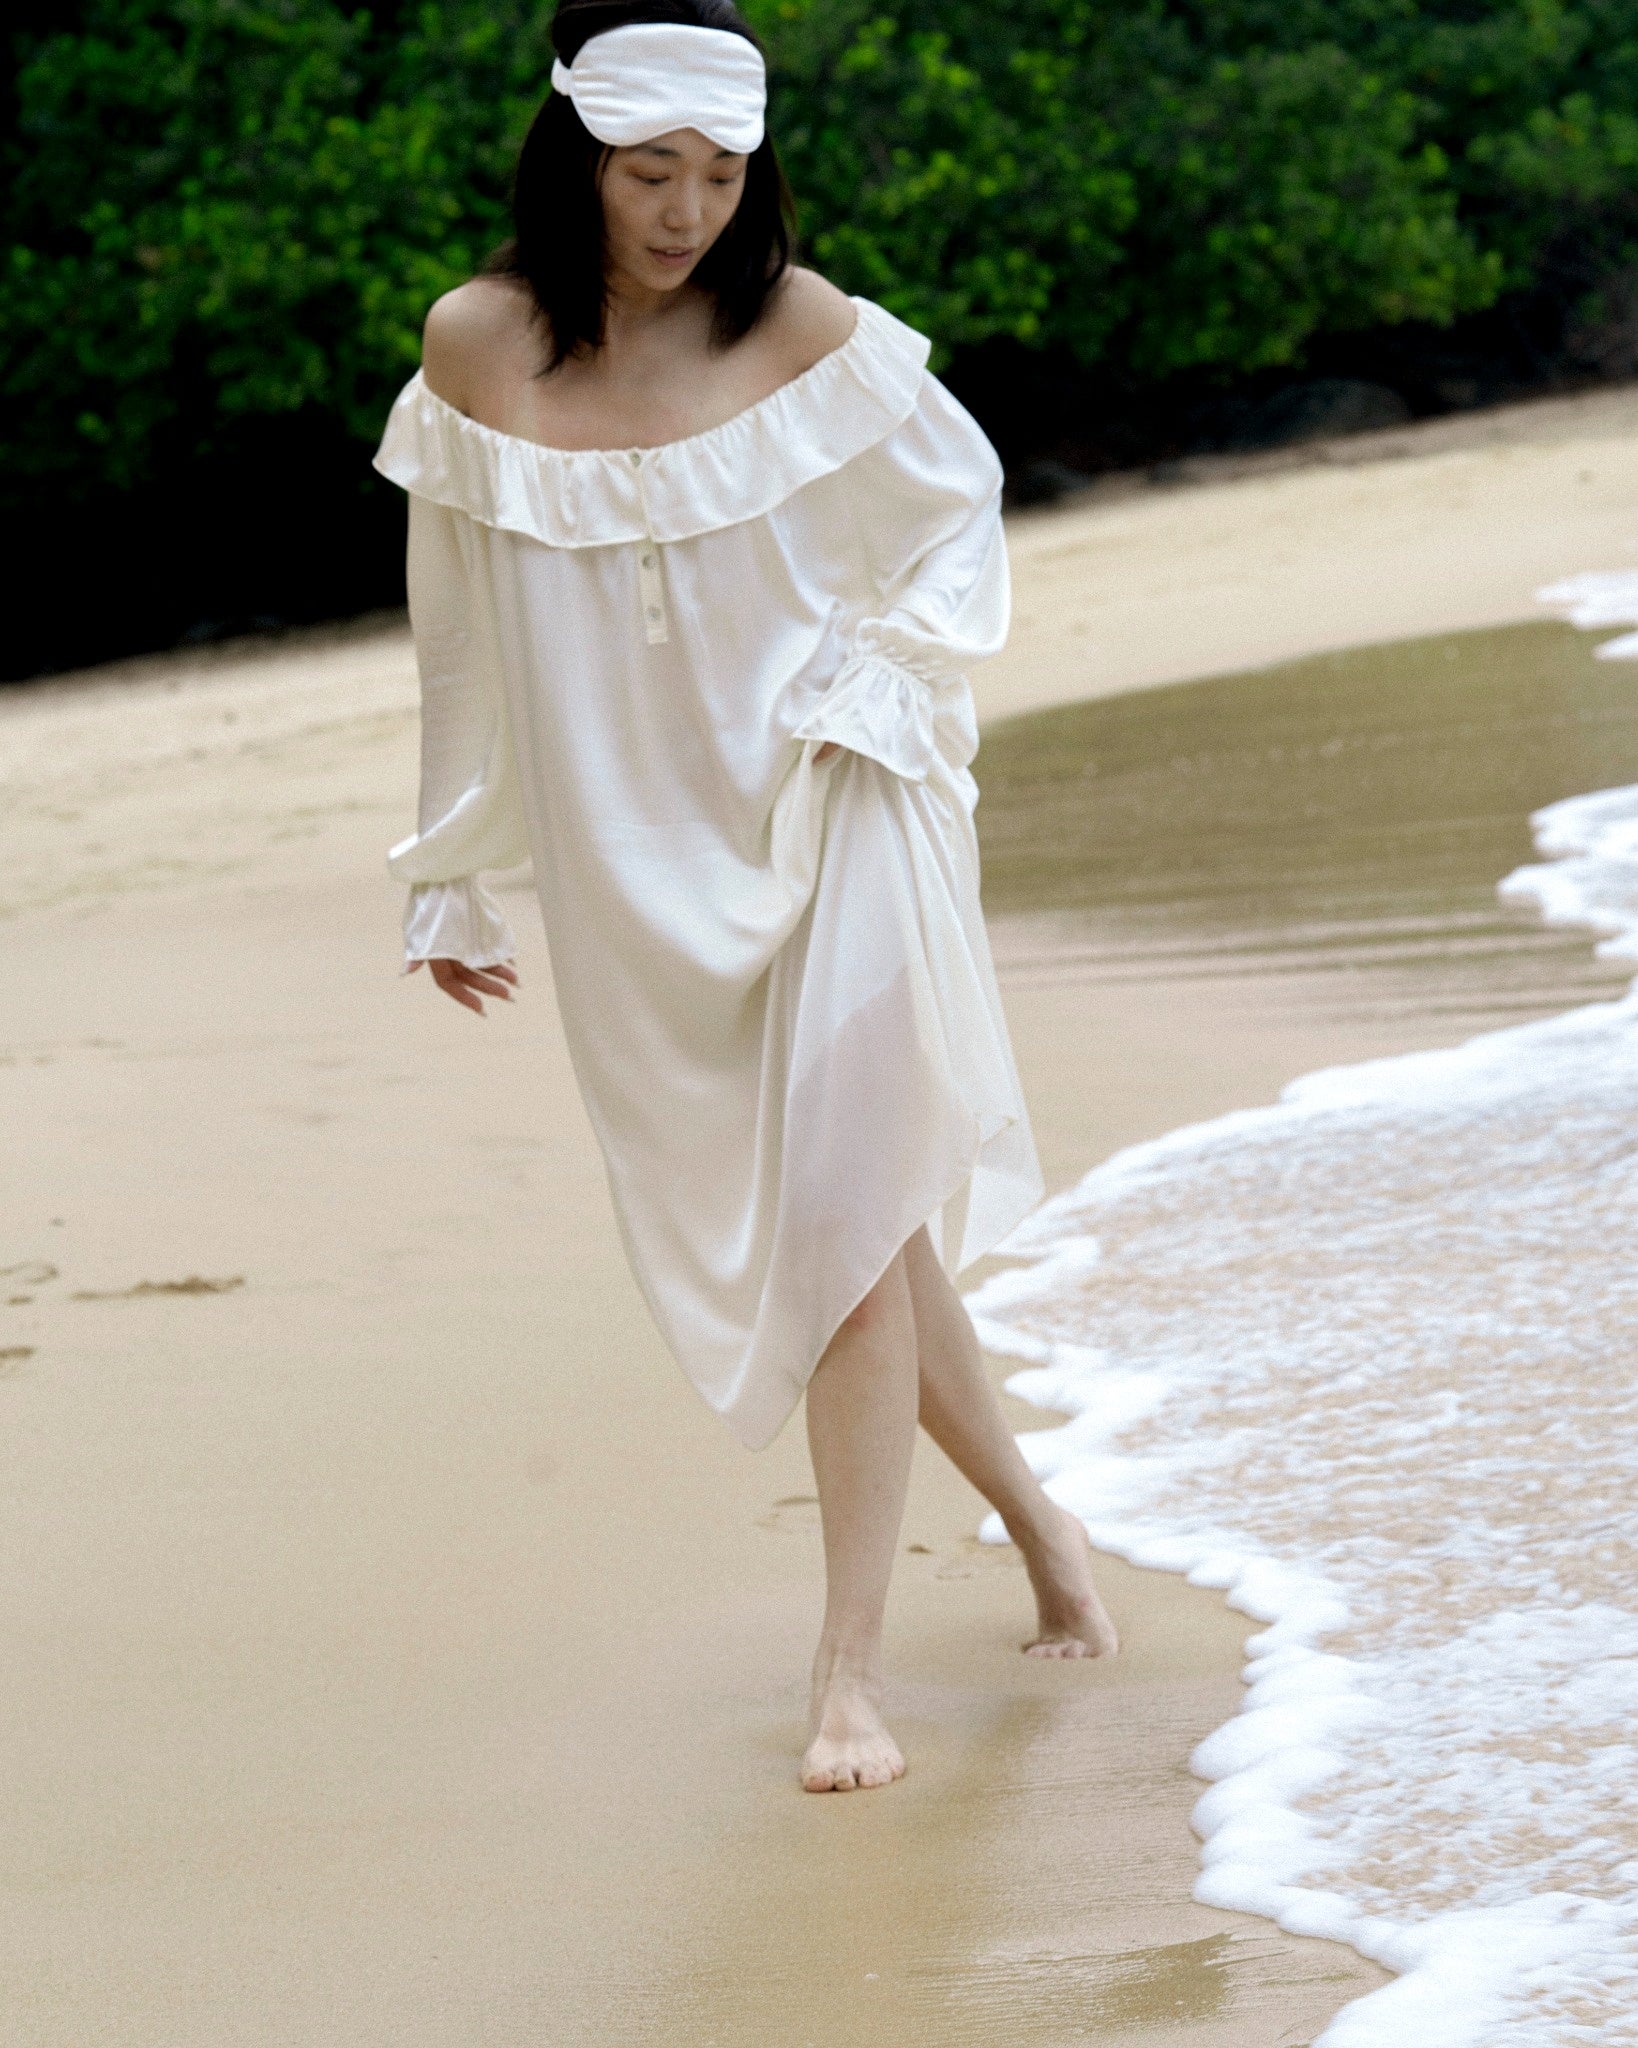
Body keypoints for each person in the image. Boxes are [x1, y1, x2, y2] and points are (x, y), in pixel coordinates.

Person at [374, 0, 1118, 1794]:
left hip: (837, 802)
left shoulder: (803, 326)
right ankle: (1043, 1530)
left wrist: (886, 677)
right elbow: (457, 628)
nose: (689, 209)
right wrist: (447, 874)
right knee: (864, 1225)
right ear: (577, 154)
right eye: (650, 171)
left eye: (721, 172)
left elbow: (959, 503)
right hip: (636, 852)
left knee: (844, 1229)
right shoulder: (476, 345)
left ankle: (844, 1679)